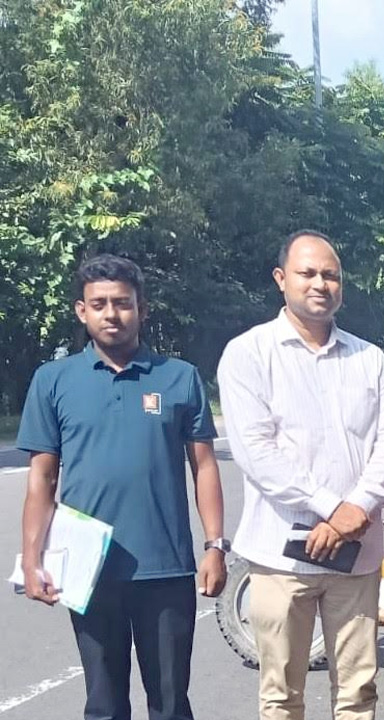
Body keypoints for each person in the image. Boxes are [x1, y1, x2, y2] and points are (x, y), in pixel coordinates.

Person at [18, 253, 226, 720]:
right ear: (81, 310)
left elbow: (204, 466)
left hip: (165, 567)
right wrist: (32, 561)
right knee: (104, 704)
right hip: (87, 568)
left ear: (143, 309)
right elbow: (42, 479)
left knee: (170, 704)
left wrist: (215, 546)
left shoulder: (178, 377)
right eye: (99, 304)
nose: (111, 314)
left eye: (123, 303)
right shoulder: (54, 380)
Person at [217, 230, 384, 720]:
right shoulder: (248, 354)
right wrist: (333, 507)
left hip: (357, 558)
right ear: (282, 279)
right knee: (281, 695)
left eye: (331, 275)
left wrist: (354, 512)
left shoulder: (371, 359)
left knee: (358, 694)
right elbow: (257, 453)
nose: (320, 284)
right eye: (308, 273)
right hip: (281, 559)